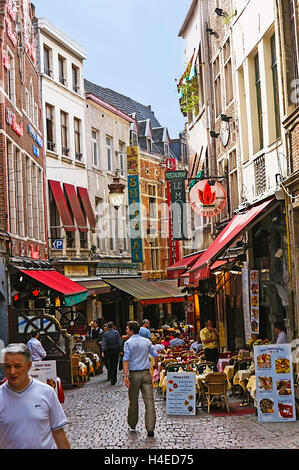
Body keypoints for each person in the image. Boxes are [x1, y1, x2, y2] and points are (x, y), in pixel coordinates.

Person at [0, 343, 70, 449]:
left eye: (17, 366)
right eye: (8, 366)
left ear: (29, 365)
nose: (12, 372)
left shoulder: (47, 392)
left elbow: (59, 433)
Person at [123, 321, 158, 438]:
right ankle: (150, 428)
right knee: (149, 401)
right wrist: (156, 365)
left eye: (127, 329)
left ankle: (132, 423)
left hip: (134, 375)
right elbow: (156, 354)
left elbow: (126, 359)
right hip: (146, 373)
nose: (126, 331)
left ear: (132, 330)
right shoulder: (147, 341)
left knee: (133, 400)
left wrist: (125, 376)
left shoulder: (128, 343)